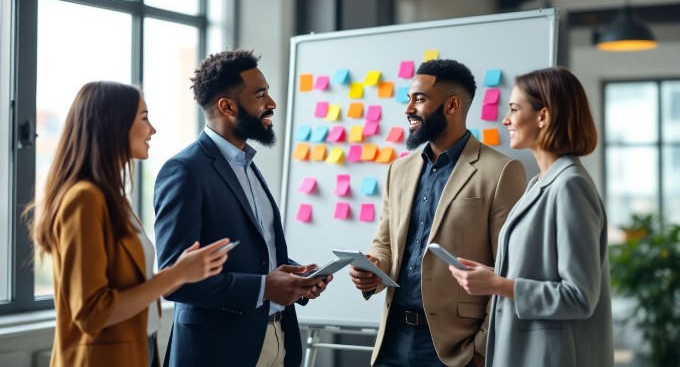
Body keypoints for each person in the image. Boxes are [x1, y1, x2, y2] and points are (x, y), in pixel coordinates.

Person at [25, 81, 230, 367]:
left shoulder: (113, 198)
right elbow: (91, 313)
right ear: (114, 125)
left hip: (138, 350)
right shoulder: (84, 199)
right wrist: (176, 275)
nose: (153, 130)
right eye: (144, 118)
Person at [154, 49, 330, 367]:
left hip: (278, 339)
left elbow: (256, 255)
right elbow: (173, 280)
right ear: (227, 106)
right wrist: (264, 287)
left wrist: (295, 276)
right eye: (260, 94)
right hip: (218, 352)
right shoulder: (185, 170)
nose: (272, 103)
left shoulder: (246, 164)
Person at [349, 59, 527, 367]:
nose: (408, 108)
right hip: (392, 339)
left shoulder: (500, 171)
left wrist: (482, 349)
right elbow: (385, 243)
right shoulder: (399, 169)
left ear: (453, 104)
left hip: (455, 348)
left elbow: (508, 267)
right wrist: (373, 270)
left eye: (419, 99)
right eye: (408, 99)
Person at [448, 66, 614, 367]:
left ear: (543, 116)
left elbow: (579, 296)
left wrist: (497, 285)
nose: (505, 119)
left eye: (513, 109)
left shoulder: (570, 186)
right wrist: (492, 276)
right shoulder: (538, 183)